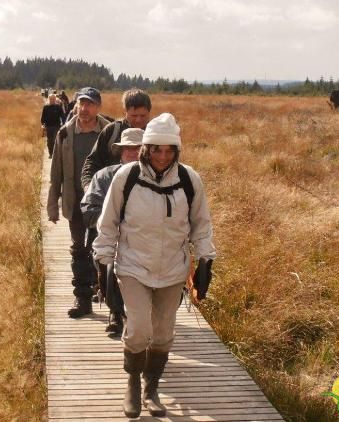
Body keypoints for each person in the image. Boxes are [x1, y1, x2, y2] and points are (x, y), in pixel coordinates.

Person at [93, 113, 216, 418]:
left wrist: (205, 261)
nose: (162, 156)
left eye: (169, 150)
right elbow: (107, 223)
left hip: (173, 269)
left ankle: (152, 387)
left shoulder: (189, 180)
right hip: (133, 266)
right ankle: (133, 383)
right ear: (146, 148)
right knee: (138, 329)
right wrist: (103, 262)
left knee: (163, 334)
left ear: (177, 150)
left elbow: (201, 224)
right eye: (156, 149)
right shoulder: (127, 178)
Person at [47, 87, 111, 318]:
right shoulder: (65, 133)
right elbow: (55, 173)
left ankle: (103, 291)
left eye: (90, 104)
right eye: (81, 103)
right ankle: (82, 298)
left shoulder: (109, 131)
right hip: (75, 203)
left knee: (105, 248)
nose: (84, 109)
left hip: (105, 203)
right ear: (75, 105)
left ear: (98, 107)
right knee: (79, 250)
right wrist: (52, 206)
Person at [80, 128, 143, 335]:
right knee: (109, 261)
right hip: (112, 240)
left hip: (147, 242)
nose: (132, 153)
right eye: (128, 149)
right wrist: (115, 225)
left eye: (138, 149)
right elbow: (89, 210)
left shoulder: (161, 180)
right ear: (120, 152)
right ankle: (116, 313)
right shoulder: (103, 177)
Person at [81, 89, 152, 190]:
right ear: (125, 111)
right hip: (111, 192)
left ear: (149, 112)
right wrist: (88, 185)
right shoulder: (112, 131)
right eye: (134, 115)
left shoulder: (155, 134)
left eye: (143, 116)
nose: (138, 120)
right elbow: (93, 162)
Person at [41, 94, 66, 158]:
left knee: (55, 140)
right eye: (51, 99)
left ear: (55, 99)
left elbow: (62, 116)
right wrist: (43, 125)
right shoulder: (46, 107)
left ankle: (56, 154)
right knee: (49, 140)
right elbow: (43, 117)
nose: (52, 100)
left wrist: (64, 123)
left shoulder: (58, 107)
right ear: (49, 99)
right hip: (48, 126)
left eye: (53, 99)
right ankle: (51, 153)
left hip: (56, 126)